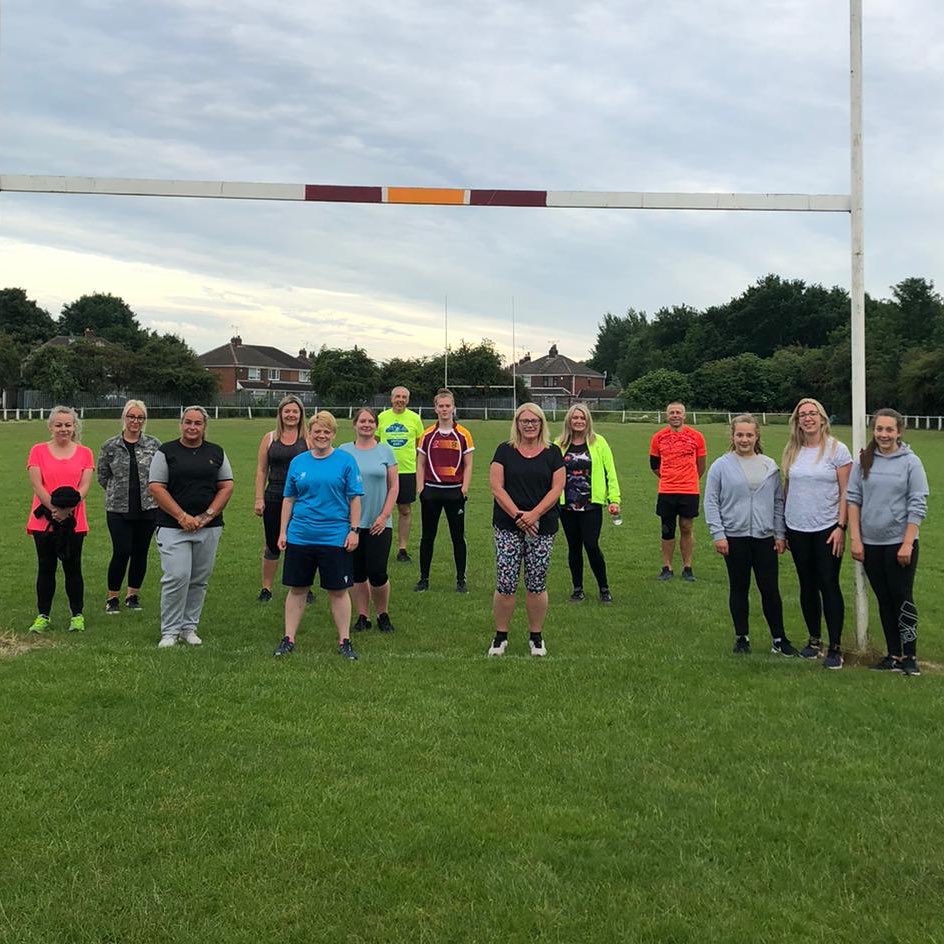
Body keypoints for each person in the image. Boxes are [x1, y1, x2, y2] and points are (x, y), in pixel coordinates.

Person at [704, 414, 799, 657]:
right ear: (732, 436)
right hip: (734, 537)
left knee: (769, 589)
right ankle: (742, 637)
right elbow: (711, 502)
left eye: (749, 435)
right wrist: (718, 534)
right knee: (739, 587)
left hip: (764, 537)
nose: (744, 439)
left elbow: (778, 502)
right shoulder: (721, 466)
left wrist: (780, 533)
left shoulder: (769, 466)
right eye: (739, 435)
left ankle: (779, 639)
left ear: (756, 436)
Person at [272, 411, 364, 660]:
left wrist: (354, 530)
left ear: (333, 434)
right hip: (301, 535)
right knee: (298, 588)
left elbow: (355, 498)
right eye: (317, 431)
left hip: (334, 536)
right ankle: (288, 637)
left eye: (327, 431)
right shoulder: (299, 462)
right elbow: (289, 498)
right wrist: (283, 531)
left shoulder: (345, 461)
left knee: (338, 591)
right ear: (309, 435)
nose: (322, 435)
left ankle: (345, 640)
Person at [847, 409, 929, 676]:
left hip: (900, 543)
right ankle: (893, 654)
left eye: (889, 430)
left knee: (902, 597)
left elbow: (917, 503)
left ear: (899, 432)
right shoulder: (864, 460)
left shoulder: (910, 462)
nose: (883, 434)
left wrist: (907, 543)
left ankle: (910, 655)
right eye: (879, 429)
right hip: (871, 544)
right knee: (883, 599)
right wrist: (856, 540)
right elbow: (853, 499)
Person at [148, 406, 234, 648]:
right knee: (177, 576)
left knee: (198, 579)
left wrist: (207, 516)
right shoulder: (166, 451)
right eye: (188, 422)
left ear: (204, 426)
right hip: (173, 527)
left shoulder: (216, 452)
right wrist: (182, 516)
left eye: (197, 423)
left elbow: (226, 485)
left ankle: (189, 627)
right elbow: (156, 487)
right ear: (181, 424)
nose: (192, 427)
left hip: (208, 527)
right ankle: (170, 631)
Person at [487, 403, 565, 657]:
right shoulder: (504, 451)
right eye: (525, 420)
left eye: (534, 421)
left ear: (542, 423)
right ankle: (500, 636)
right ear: (517, 423)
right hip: (508, 526)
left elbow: (556, 489)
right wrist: (518, 516)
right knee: (506, 582)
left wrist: (534, 515)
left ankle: (536, 636)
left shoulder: (553, 453)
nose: (529, 425)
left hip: (542, 526)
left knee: (536, 583)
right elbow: (497, 487)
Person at [782, 398, 852, 669]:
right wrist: (784, 527)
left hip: (827, 528)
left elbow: (847, 491)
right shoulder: (793, 450)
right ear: (797, 421)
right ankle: (814, 641)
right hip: (797, 528)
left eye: (813, 414)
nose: (808, 418)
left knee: (828, 583)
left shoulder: (837, 449)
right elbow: (788, 489)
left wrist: (840, 526)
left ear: (823, 418)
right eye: (803, 415)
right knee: (807, 585)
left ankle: (835, 647)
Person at [26, 406, 95, 633]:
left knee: (72, 567)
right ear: (50, 426)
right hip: (43, 521)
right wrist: (55, 509)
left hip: (74, 521)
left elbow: (84, 486)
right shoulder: (38, 451)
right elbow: (37, 484)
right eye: (59, 425)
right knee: (46, 567)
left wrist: (68, 510)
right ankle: (43, 615)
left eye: (68, 424)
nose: (63, 429)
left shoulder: (85, 452)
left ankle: (77, 615)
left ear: (74, 426)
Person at [97, 400, 162, 614]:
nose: (135, 421)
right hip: (118, 509)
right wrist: (119, 491)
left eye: (140, 417)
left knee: (140, 552)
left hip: (148, 507)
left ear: (144, 420)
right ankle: (112, 597)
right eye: (131, 416)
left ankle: (133, 595)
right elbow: (103, 476)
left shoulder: (154, 445)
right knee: (122, 551)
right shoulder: (110, 446)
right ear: (124, 418)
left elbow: (160, 474)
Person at [340, 408, 399, 634]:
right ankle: (362, 615)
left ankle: (382, 613)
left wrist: (383, 516)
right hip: (351, 524)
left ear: (376, 425)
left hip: (379, 523)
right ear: (354, 424)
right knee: (357, 573)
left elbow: (394, 487)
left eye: (371, 421)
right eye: (362, 421)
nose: (367, 424)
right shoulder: (344, 451)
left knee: (378, 572)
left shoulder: (386, 451)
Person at [555, 403, 621, 603]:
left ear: (587, 421)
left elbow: (611, 471)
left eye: (582, 418)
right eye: (575, 418)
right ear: (569, 420)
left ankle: (604, 587)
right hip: (567, 505)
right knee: (573, 547)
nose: (578, 421)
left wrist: (614, 499)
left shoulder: (598, 442)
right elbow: (551, 473)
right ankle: (577, 588)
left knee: (591, 545)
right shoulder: (559, 444)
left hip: (591, 503)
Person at [414, 389, 474, 593]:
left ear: (453, 407)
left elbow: (468, 465)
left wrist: (464, 489)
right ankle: (424, 579)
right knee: (427, 537)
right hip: (431, 492)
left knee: (458, 537)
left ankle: (460, 580)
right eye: (441, 406)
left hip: (454, 493)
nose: (444, 409)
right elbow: (420, 464)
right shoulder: (427, 435)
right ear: (435, 408)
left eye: (448, 406)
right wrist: (421, 489)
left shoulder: (464, 434)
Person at [253, 395, 308, 602]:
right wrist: (259, 498)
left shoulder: (309, 438)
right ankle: (266, 588)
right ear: (280, 413)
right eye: (287, 411)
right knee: (272, 543)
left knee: (301, 543)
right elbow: (261, 470)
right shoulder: (269, 438)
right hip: (275, 495)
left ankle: (303, 585)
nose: (291, 415)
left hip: (303, 499)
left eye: (295, 411)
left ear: (301, 414)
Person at [649, 402, 707, 581]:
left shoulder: (696, 437)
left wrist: (689, 479)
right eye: (672, 412)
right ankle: (667, 567)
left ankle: (687, 567)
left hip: (689, 490)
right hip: (667, 489)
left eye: (678, 412)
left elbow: (701, 464)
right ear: (667, 416)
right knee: (667, 529)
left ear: (684, 416)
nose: (675, 415)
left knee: (686, 527)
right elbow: (654, 465)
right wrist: (668, 477)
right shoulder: (658, 437)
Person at [378, 386, 425, 563]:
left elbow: (420, 445)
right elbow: (374, 443)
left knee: (404, 509)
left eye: (404, 397)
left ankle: (402, 549)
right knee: (382, 510)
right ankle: (379, 545)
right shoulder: (382, 417)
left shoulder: (414, 418)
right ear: (391, 399)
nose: (400, 400)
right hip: (384, 471)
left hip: (406, 470)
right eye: (397, 396)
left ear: (408, 399)